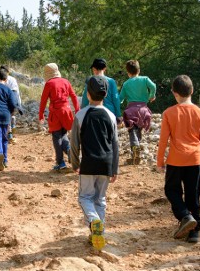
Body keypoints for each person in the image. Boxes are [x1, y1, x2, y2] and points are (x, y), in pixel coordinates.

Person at [156, 75, 200, 244]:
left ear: (174, 93)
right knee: (193, 195)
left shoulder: (169, 113)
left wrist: (159, 162)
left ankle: (185, 216)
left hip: (175, 160)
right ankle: (194, 232)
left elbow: (163, 141)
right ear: (192, 91)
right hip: (195, 159)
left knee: (172, 191)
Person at [71, 75, 119, 251]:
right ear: (105, 95)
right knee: (100, 199)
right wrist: (115, 168)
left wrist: (75, 164)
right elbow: (115, 144)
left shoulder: (81, 115)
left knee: (85, 197)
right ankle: (97, 234)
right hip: (106, 164)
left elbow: (74, 143)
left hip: (89, 163)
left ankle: (93, 221)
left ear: (88, 95)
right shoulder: (111, 116)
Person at [39, 63, 80, 171]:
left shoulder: (49, 84)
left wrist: (41, 115)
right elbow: (74, 96)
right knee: (64, 133)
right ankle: (68, 150)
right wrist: (77, 110)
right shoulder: (66, 81)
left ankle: (61, 162)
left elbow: (43, 101)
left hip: (56, 112)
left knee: (56, 137)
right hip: (67, 111)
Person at [119, 60, 156, 165]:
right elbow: (153, 86)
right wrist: (151, 96)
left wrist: (116, 104)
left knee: (132, 130)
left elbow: (121, 98)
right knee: (138, 130)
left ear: (128, 72)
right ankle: (135, 155)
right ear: (139, 70)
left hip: (131, 110)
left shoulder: (126, 84)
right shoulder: (145, 79)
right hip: (144, 109)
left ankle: (135, 148)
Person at [80, 58, 122, 124]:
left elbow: (85, 99)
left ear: (93, 69)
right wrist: (118, 114)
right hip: (110, 112)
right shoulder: (111, 81)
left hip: (94, 111)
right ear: (105, 68)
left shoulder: (90, 81)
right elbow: (116, 99)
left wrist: (82, 112)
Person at [0, 65, 24, 142]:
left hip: (6, 101)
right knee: (12, 116)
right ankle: (12, 128)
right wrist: (18, 105)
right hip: (13, 100)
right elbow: (15, 92)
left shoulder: (0, 80)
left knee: (7, 118)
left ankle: (10, 134)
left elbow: (14, 92)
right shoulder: (12, 79)